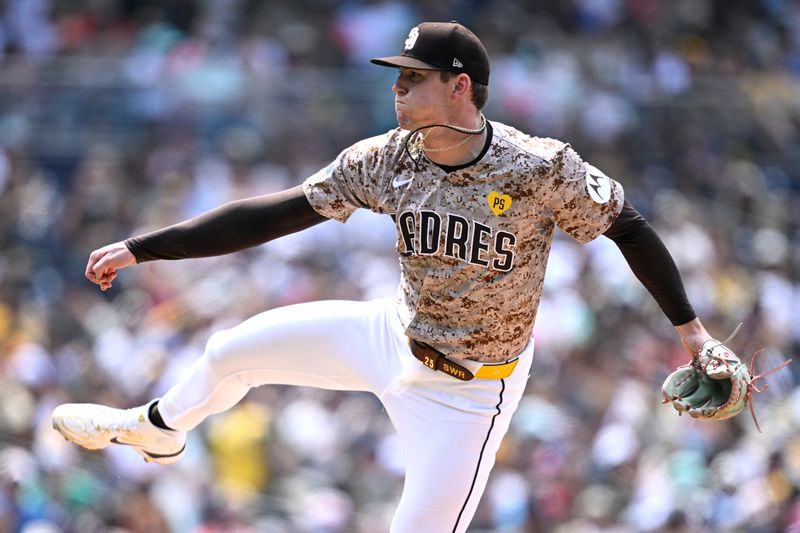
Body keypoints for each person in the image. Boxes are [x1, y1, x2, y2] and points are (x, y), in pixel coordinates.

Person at [52, 21, 714, 532]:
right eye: (397, 76)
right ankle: (160, 425)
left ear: (460, 86)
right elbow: (278, 212)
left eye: (413, 77)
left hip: (468, 396)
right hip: (391, 334)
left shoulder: (539, 167)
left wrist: (693, 333)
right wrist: (144, 247)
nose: (396, 88)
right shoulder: (387, 159)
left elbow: (628, 225)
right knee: (231, 351)